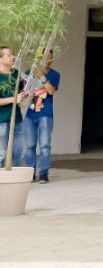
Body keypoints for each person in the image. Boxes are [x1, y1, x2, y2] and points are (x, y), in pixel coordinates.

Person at [20, 49, 59, 182]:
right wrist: (26, 94)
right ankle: (31, 172)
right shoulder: (28, 73)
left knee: (44, 144)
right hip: (29, 113)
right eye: (45, 57)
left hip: (45, 114)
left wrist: (42, 76)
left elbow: (51, 91)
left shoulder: (54, 74)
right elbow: (22, 91)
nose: (48, 60)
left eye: (50, 57)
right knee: (30, 145)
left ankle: (43, 173)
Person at [0, 45, 28, 169]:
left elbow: (20, 90)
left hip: (17, 118)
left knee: (20, 150)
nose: (13, 57)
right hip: (2, 119)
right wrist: (14, 99)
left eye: (12, 54)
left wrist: (25, 94)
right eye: (9, 55)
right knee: (1, 153)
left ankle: (15, 175)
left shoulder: (16, 73)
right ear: (0, 59)